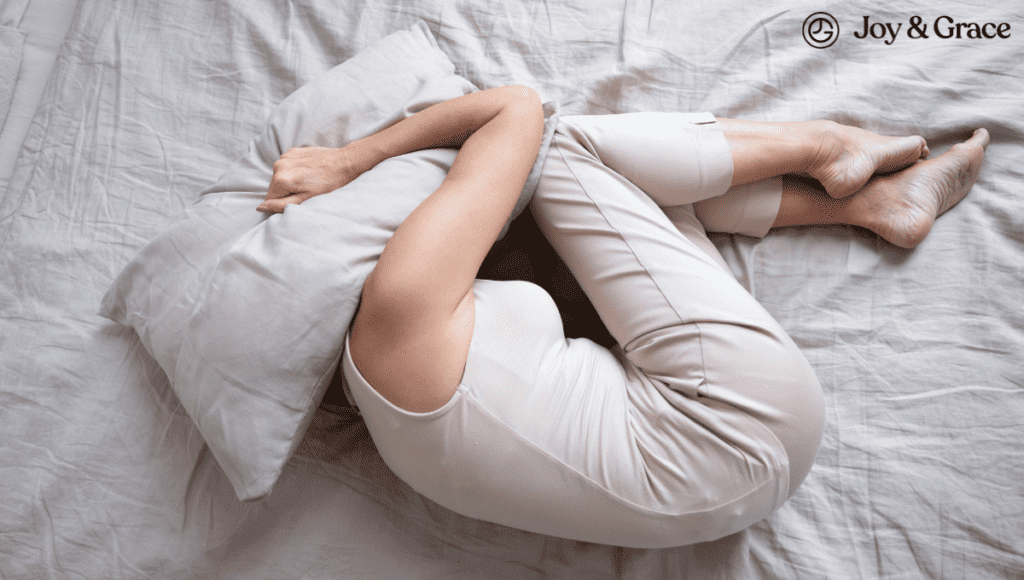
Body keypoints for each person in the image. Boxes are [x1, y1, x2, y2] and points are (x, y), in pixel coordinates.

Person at [257, 86, 989, 548]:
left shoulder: (386, 413)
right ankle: (824, 142)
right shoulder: (399, 309)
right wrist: (352, 160)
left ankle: (875, 205)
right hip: (739, 414)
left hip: (722, 499)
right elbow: (518, 110)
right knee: (570, 150)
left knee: (628, 193)